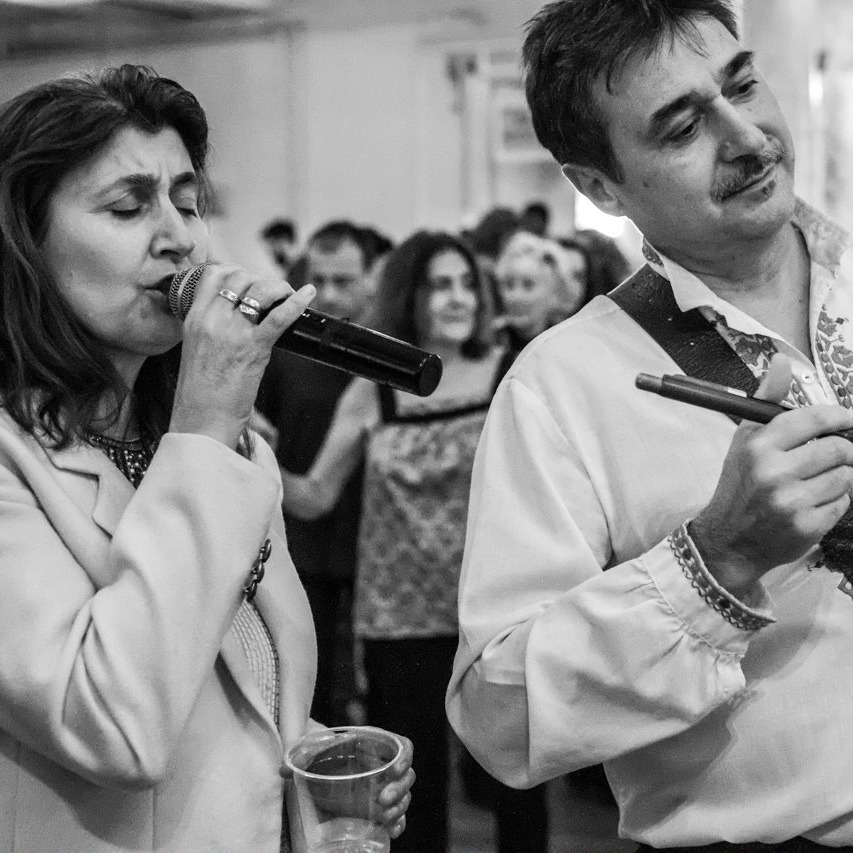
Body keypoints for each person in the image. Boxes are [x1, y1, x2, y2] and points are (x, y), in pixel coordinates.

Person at [446, 0, 853, 850]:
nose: (746, 137)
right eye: (682, 128)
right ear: (598, 187)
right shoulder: (562, 385)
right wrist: (718, 557)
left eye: (742, 84)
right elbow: (498, 718)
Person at [0, 63, 414, 852]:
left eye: (187, 203)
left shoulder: (226, 447)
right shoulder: (45, 455)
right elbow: (115, 724)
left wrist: (311, 756)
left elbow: (231, 675)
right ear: (24, 239)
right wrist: (205, 423)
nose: (179, 237)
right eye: (129, 207)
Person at [277, 230, 547, 851]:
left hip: (498, 611)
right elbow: (316, 496)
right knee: (412, 797)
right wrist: (250, 445)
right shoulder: (375, 388)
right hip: (401, 618)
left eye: (466, 284)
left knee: (518, 787)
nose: (458, 299)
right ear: (409, 298)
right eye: (439, 285)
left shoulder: (510, 374)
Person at [256, 219, 384, 728]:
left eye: (343, 281)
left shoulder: (388, 353)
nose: (328, 294)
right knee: (313, 686)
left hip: (374, 542)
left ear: (372, 278)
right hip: (302, 541)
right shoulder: (284, 348)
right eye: (319, 279)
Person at [493, 229, 589, 350]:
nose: (515, 296)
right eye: (509, 285)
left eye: (528, 285)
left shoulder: (570, 348)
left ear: (554, 292)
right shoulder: (488, 343)